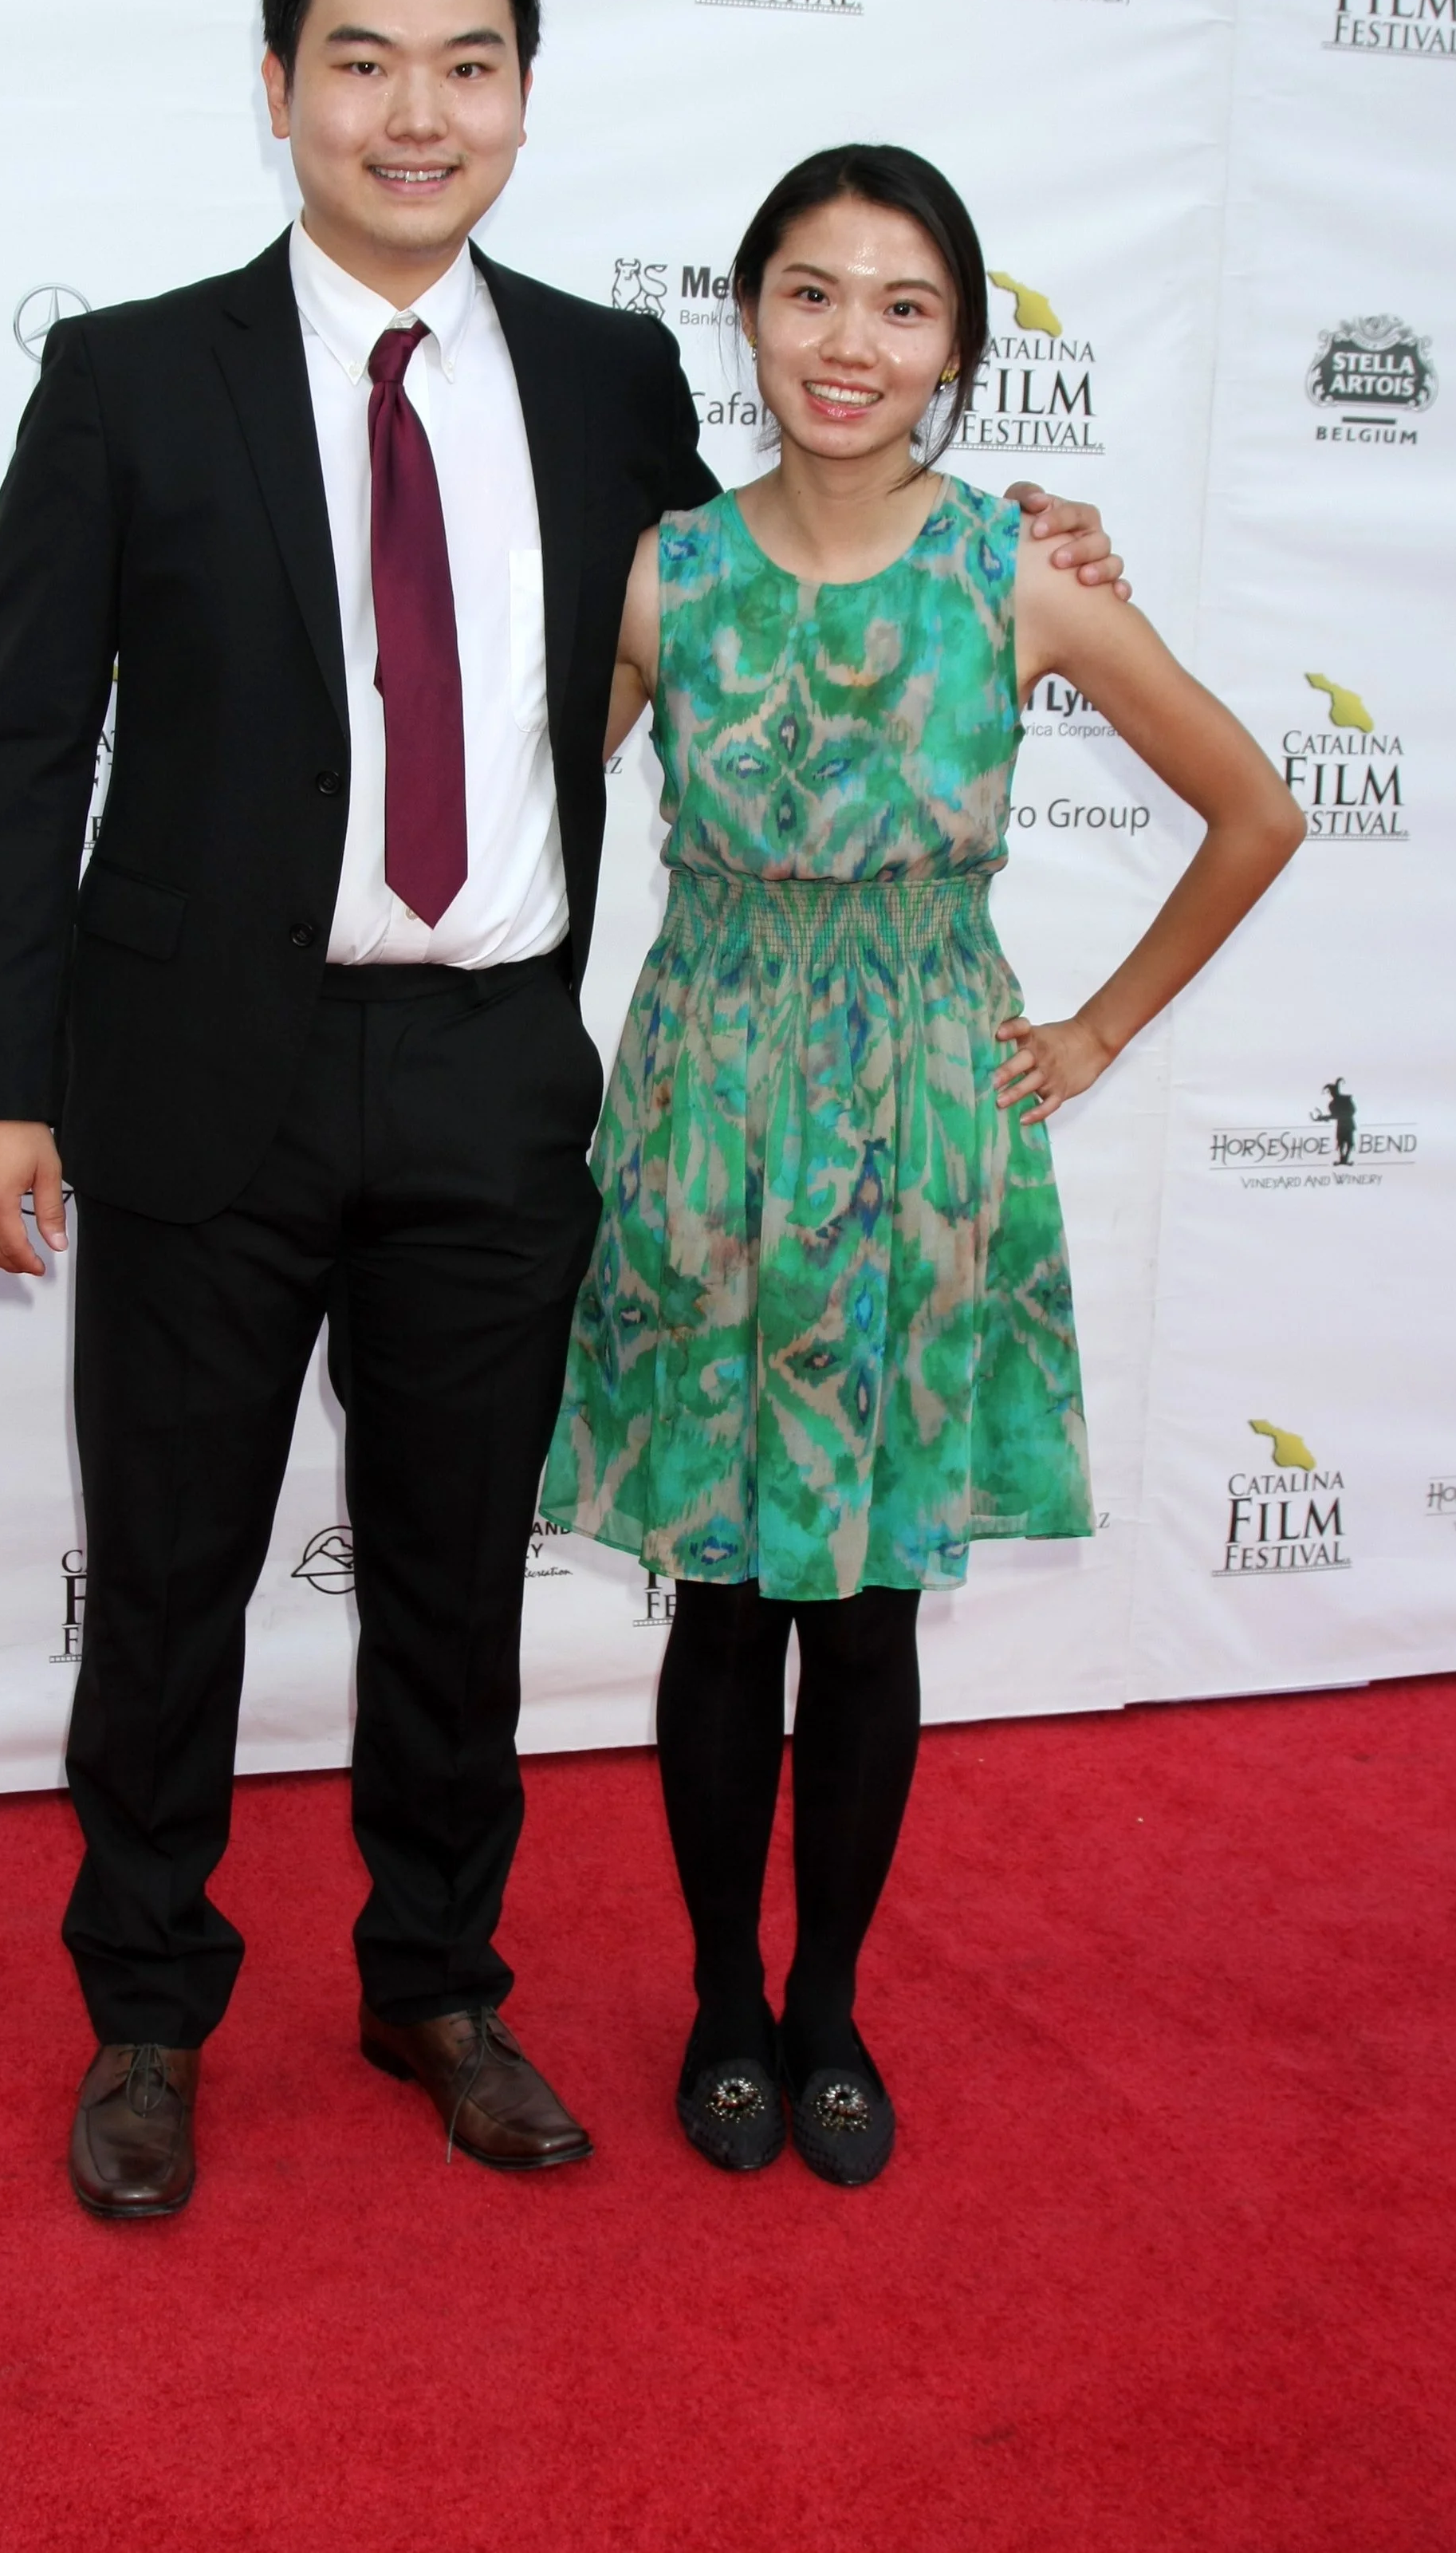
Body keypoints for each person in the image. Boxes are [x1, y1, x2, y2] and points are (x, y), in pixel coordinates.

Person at [0, 0, 1127, 2217]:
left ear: (518, 97)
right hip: (201, 1072)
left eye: (462, 63)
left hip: (496, 1069)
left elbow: (796, 562)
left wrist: (1026, 533)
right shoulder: (126, 374)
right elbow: (17, 746)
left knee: (456, 1569)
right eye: (359, 60)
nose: (412, 109)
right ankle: (150, 2011)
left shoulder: (601, 379)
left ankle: (434, 1979)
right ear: (274, 86)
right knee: (169, 1570)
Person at [542, 143, 1304, 2189]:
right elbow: (511, 810)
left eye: (899, 306)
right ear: (748, 315)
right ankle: (717, 1996)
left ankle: (828, 2009)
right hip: (708, 1115)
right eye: (807, 294)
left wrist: (1094, 1032)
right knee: (718, 1601)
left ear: (959, 344)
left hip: (922, 1132)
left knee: (866, 1605)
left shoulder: (1022, 576)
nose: (846, 343)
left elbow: (1253, 808)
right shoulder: (659, 576)